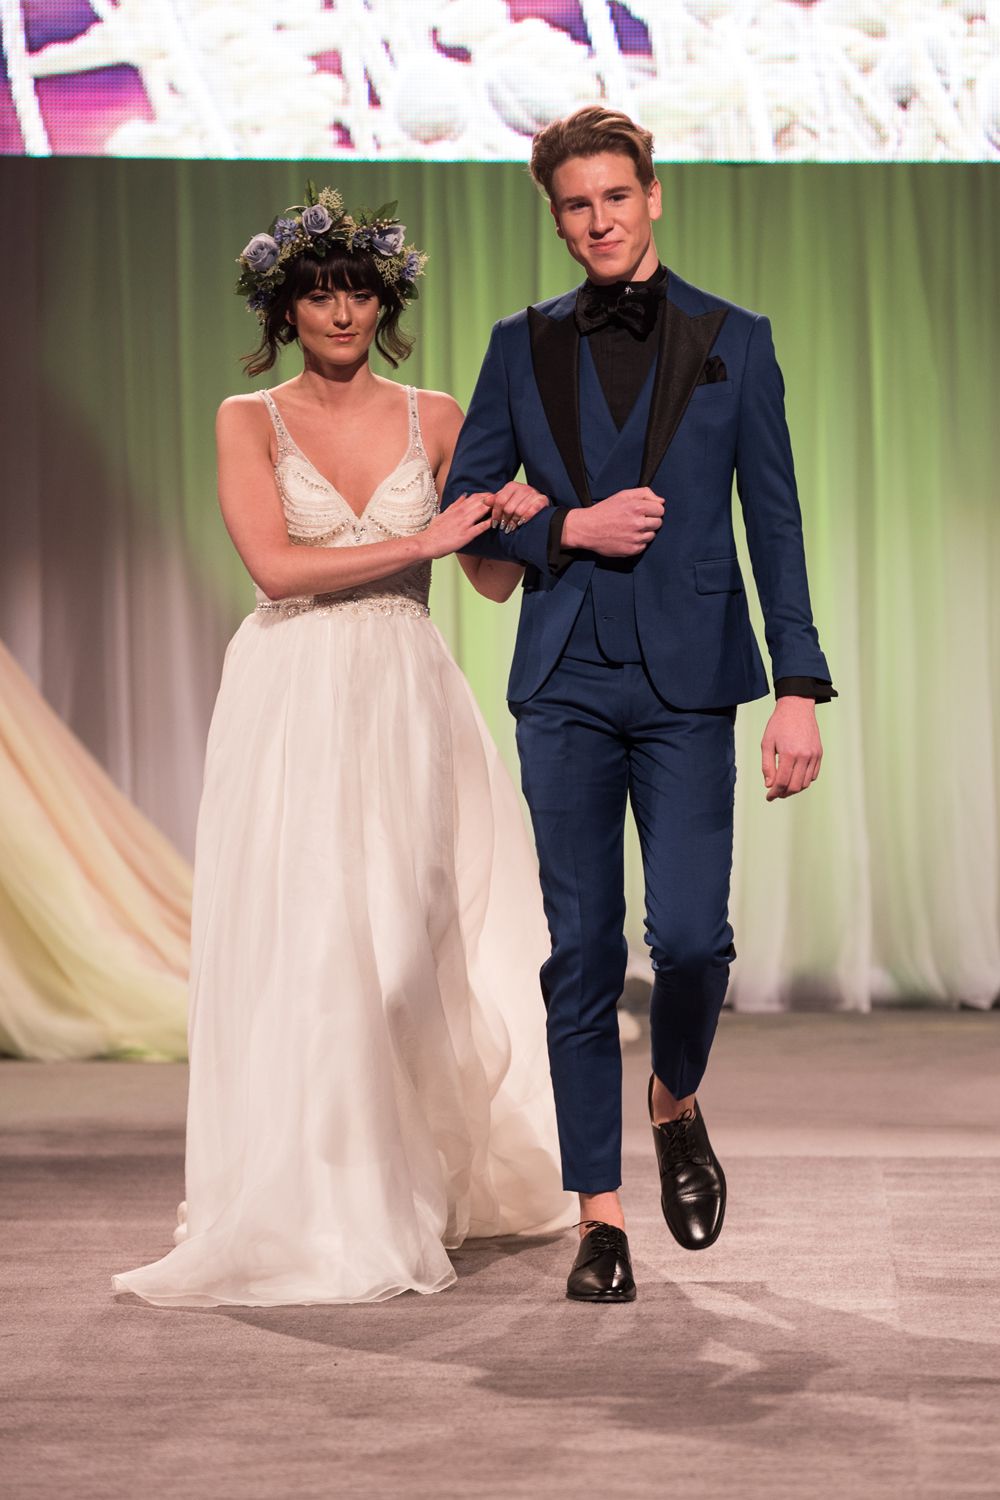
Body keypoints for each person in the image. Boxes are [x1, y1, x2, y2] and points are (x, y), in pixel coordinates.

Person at [113, 186, 571, 1308]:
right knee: (311, 937)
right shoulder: (247, 418)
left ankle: (407, 1173)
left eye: (359, 289)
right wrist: (420, 533)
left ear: (386, 302)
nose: (340, 310)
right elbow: (274, 568)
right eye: (318, 292)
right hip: (293, 690)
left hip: (407, 690)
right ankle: (317, 1197)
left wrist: (522, 519)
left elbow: (488, 578)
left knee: (407, 946)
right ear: (285, 307)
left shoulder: (439, 414)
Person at [443, 107, 835, 1303]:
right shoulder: (520, 345)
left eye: (616, 196)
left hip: (685, 683)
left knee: (690, 941)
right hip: (561, 680)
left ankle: (673, 1099)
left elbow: (773, 520)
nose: (599, 220)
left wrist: (799, 690)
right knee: (580, 954)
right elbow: (469, 505)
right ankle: (598, 1218)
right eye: (576, 204)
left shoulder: (734, 338)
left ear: (652, 196)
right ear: (554, 216)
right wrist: (566, 524)